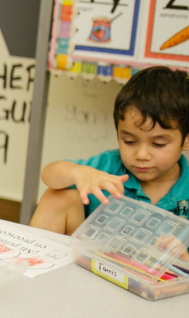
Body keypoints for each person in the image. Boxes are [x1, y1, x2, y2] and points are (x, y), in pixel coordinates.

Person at [31, 66, 189, 234]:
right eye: (129, 141)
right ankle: (35, 260)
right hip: (89, 256)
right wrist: (79, 173)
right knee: (55, 197)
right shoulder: (110, 165)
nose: (142, 155)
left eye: (158, 144)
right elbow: (49, 175)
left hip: (153, 260)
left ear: (186, 140)